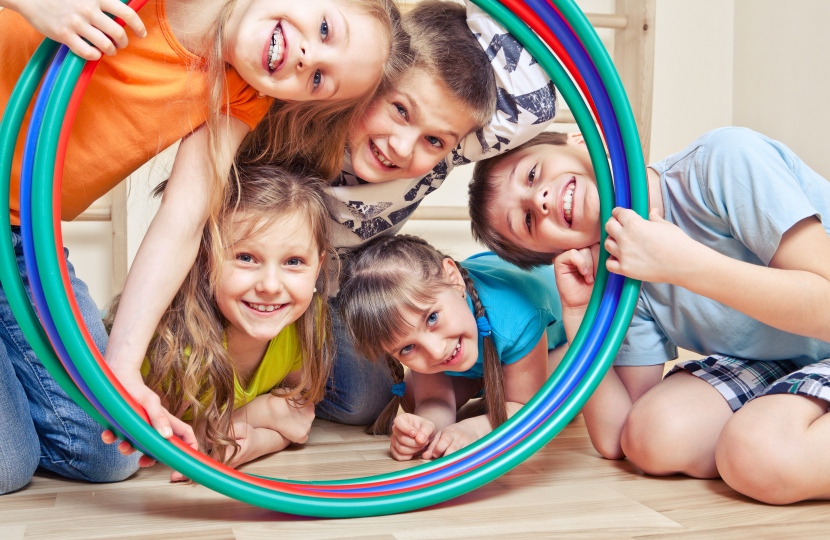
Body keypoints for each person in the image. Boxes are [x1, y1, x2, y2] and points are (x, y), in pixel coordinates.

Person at [0, 0, 399, 493]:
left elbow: (184, 221)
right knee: (8, 466)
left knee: (108, 453)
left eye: (318, 79)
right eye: (323, 27)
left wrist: (123, 367)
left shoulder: (243, 92)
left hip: (21, 242)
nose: (305, 57)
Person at [468, 127, 830, 504]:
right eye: (527, 220)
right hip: (786, 356)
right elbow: (617, 436)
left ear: (579, 141)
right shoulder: (622, 272)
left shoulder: (722, 161)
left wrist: (683, 265)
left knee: (756, 454)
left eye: (531, 174)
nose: (539, 199)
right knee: (652, 436)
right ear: (551, 252)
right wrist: (577, 317)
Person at [296, 0, 559, 428]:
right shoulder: (321, 110)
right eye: (400, 110)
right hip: (279, 265)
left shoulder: (444, 152)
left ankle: (293, 367)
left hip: (351, 283)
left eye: (434, 140)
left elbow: (535, 105)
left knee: (362, 403)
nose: (402, 148)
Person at [106, 163, 333, 480]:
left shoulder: (305, 320)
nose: (270, 285)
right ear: (206, 258)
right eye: (246, 257)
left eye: (294, 262)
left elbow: (300, 419)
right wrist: (260, 412)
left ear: (318, 266)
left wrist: (253, 443)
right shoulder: (174, 341)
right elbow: (163, 441)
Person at [337, 234, 566, 460]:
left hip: (558, 342)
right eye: (407, 348)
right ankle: (490, 387)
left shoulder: (518, 315)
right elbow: (434, 401)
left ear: (454, 278)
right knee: (411, 394)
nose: (436, 351)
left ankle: (498, 391)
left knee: (553, 396)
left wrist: (475, 430)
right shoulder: (428, 326)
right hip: (485, 344)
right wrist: (423, 430)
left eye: (432, 318)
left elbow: (527, 411)